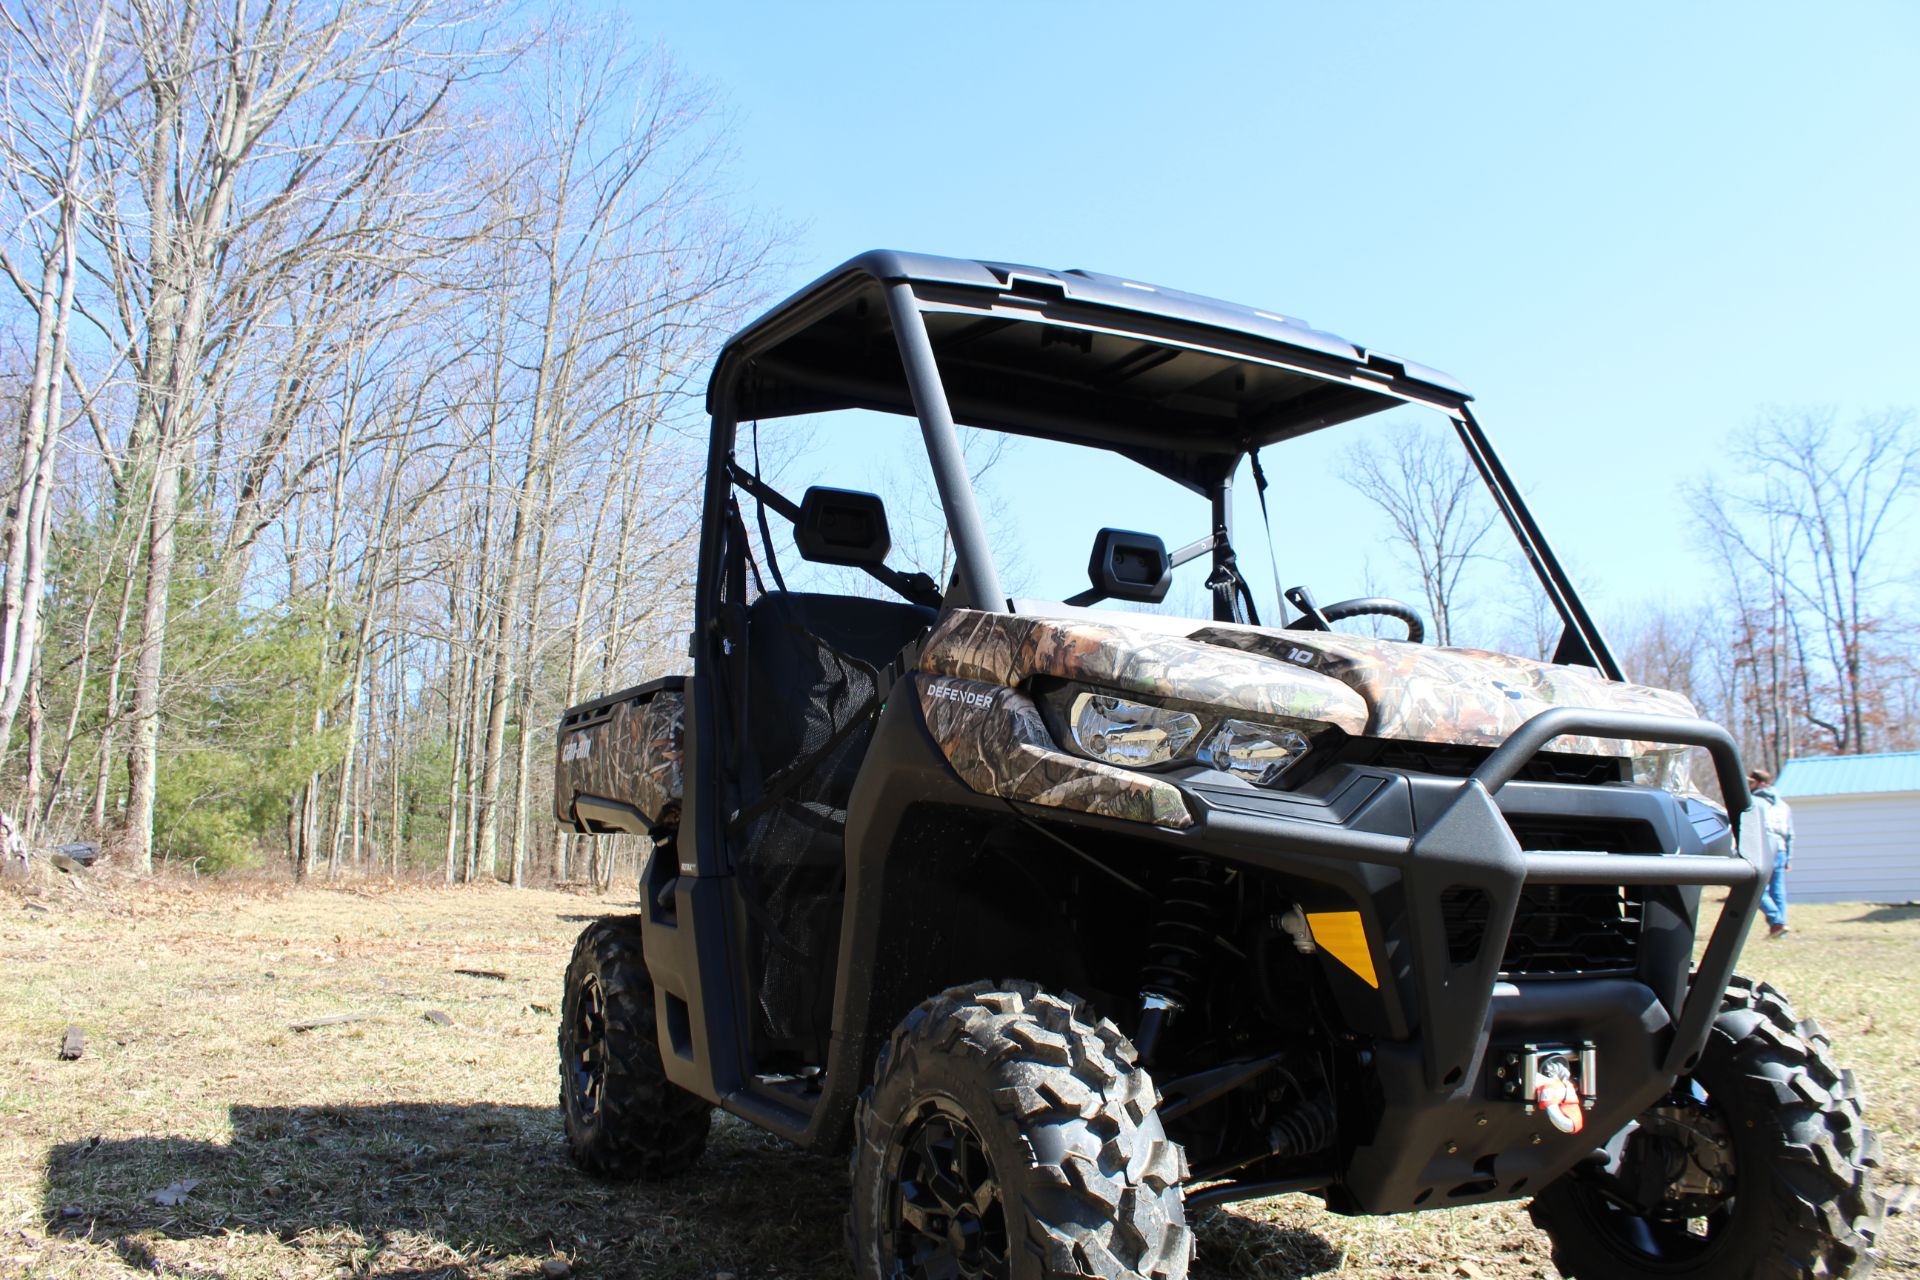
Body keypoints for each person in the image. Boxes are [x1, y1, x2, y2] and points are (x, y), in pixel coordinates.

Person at [1749, 768, 1796, 938]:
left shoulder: (1754, 801)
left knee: (1756, 888)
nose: (1749, 785)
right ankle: (1780, 930)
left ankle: (1777, 921)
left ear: (1760, 783)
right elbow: (1790, 833)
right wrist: (1788, 857)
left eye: (1751, 782)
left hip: (1764, 846)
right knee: (1778, 890)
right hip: (1781, 848)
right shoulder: (1783, 805)